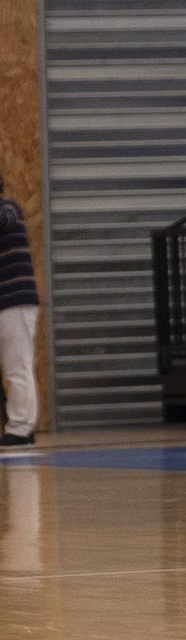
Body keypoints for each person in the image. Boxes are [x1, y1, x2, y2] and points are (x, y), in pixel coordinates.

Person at [0, 171, 40, 450]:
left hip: (15, 303)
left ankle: (21, 428)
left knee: (18, 366)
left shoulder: (9, 208)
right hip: (6, 303)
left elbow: (6, 218)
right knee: (15, 367)